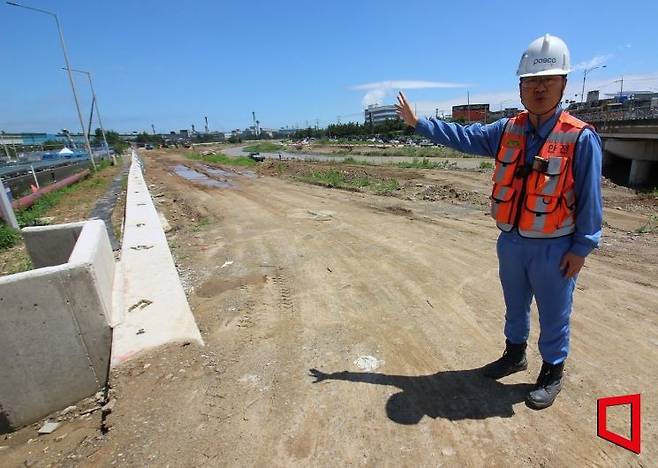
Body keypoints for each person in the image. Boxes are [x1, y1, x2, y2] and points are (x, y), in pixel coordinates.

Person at [395, 34, 603, 410]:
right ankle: (514, 354)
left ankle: (552, 371)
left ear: (564, 85)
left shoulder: (580, 138)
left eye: (548, 80)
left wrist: (582, 248)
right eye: (531, 82)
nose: (539, 88)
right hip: (511, 241)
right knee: (515, 304)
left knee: (555, 311)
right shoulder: (507, 130)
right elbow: (461, 135)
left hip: (555, 246)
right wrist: (419, 123)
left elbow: (591, 198)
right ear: (520, 88)